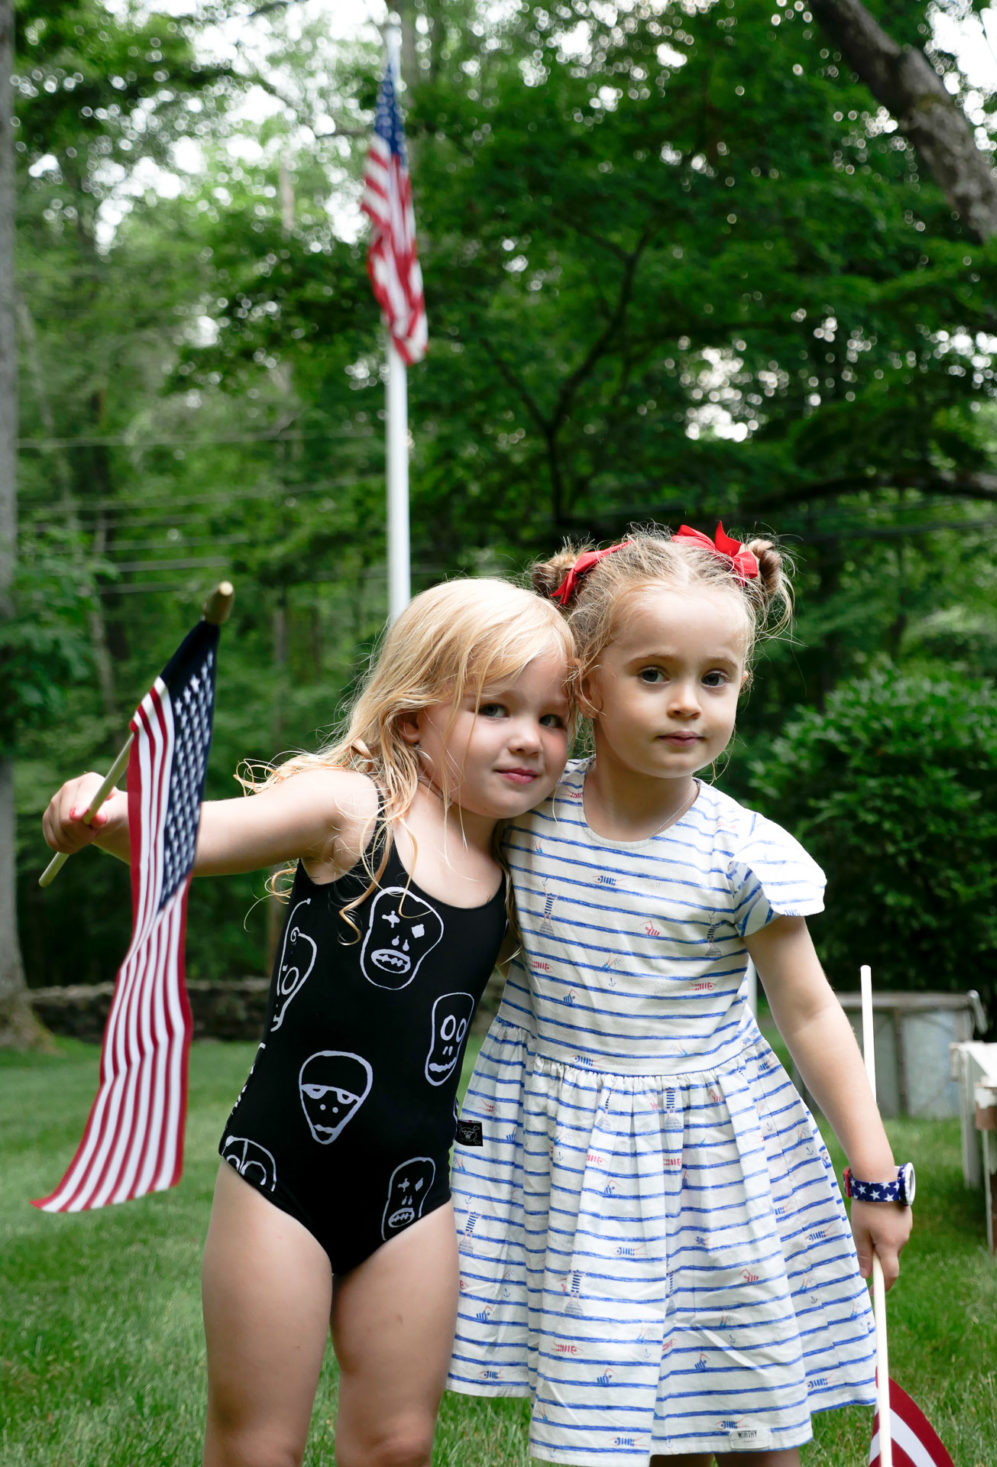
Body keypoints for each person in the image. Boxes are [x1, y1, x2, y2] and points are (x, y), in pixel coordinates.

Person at [41, 577, 573, 1467]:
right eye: (493, 707)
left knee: (399, 1440)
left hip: (413, 1189)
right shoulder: (353, 810)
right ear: (412, 718)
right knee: (256, 1447)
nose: (530, 738)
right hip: (279, 1174)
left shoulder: (524, 853)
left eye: (554, 719)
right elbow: (194, 834)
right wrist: (107, 816)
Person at [445, 526, 913, 1467]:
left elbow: (810, 1010)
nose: (687, 704)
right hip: (574, 1152)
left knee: (743, 1404)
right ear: (586, 683)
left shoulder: (743, 854)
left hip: (716, 1154)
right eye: (652, 673)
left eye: (716, 678)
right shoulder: (526, 816)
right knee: (622, 1412)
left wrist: (873, 1167)